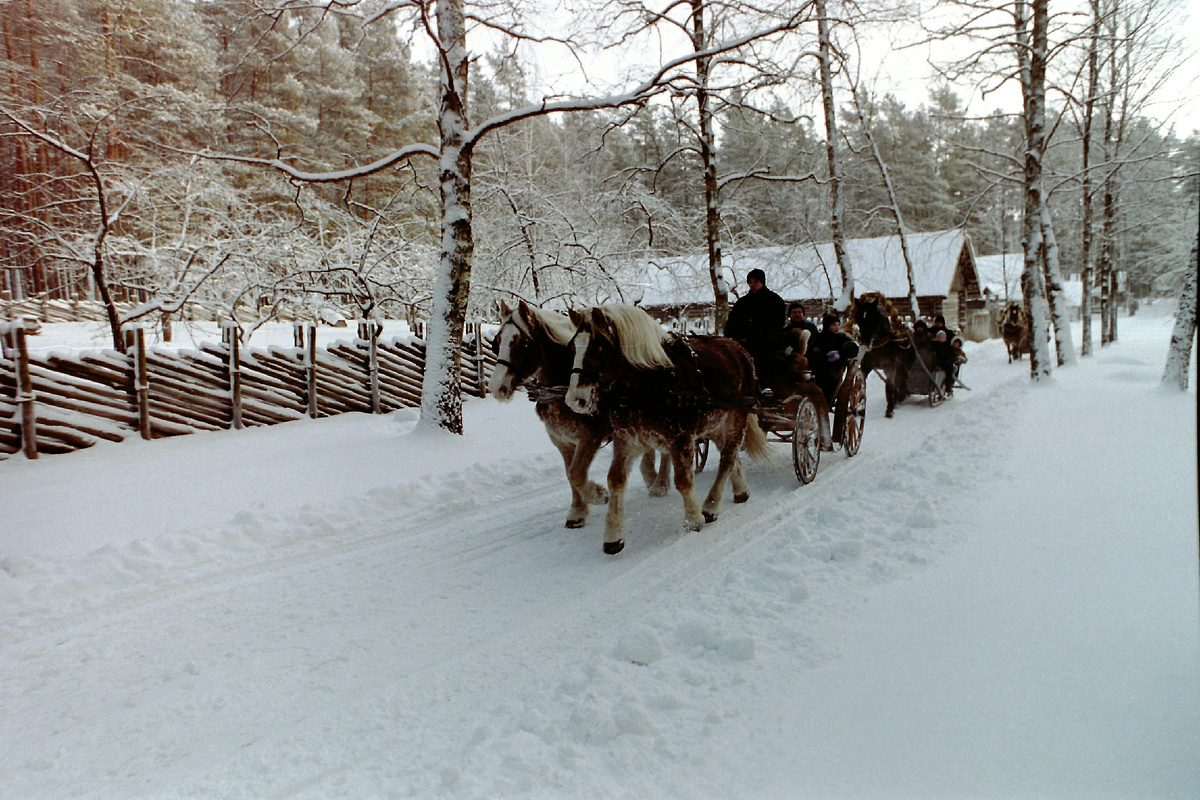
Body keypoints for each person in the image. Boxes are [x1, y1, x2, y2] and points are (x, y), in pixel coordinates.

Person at [724, 268, 786, 392]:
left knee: (764, 348)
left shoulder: (774, 300)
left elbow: (777, 323)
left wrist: (757, 332)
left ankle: (766, 383)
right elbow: (732, 321)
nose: (753, 284)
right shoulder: (742, 302)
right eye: (750, 282)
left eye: (756, 281)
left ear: (762, 282)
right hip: (744, 338)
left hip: (765, 338)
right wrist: (730, 335)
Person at [808, 312, 860, 404]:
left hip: (834, 369)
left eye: (838, 325)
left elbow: (853, 347)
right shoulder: (818, 338)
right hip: (818, 368)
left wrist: (841, 353)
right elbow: (811, 351)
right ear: (827, 326)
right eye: (834, 325)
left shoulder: (841, 338)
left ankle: (826, 403)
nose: (837, 327)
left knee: (830, 380)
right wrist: (821, 357)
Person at [930, 314, 957, 395]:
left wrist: (950, 359)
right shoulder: (931, 333)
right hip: (934, 360)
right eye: (937, 322)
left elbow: (951, 351)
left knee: (949, 369)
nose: (938, 324)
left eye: (940, 322)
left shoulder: (948, 334)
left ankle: (948, 386)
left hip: (944, 360)